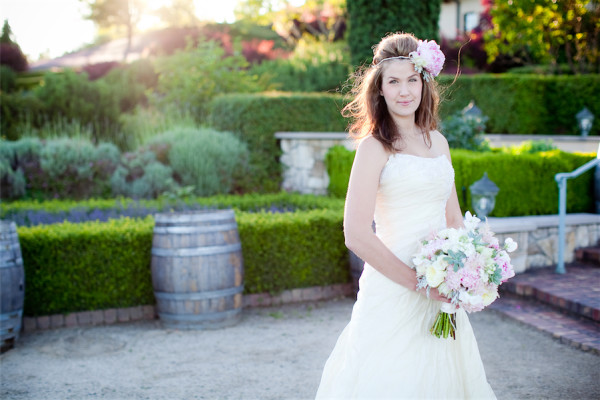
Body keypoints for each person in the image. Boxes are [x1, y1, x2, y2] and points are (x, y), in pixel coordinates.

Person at [315, 33, 496, 399]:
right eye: (393, 82)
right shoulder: (374, 148)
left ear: (424, 82)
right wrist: (419, 284)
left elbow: (454, 220)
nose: (404, 91)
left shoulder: (438, 142)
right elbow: (356, 234)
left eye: (412, 79)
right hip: (393, 287)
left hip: (440, 288)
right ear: (379, 90)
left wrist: (466, 270)